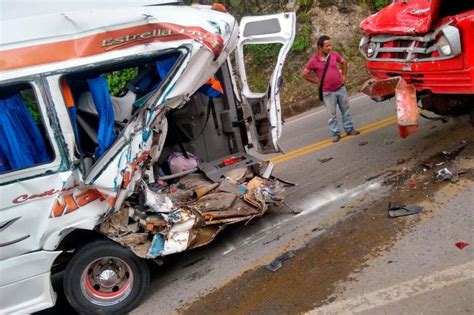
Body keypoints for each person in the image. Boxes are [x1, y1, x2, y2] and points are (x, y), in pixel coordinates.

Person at [301, 35, 360, 142]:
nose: (329, 48)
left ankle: (349, 129)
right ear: (320, 47)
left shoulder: (334, 55)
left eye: (330, 45)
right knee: (332, 115)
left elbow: (344, 62)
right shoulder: (314, 60)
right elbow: (304, 74)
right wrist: (317, 82)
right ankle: (335, 134)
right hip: (328, 92)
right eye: (327, 46)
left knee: (345, 111)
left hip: (340, 89)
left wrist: (344, 76)